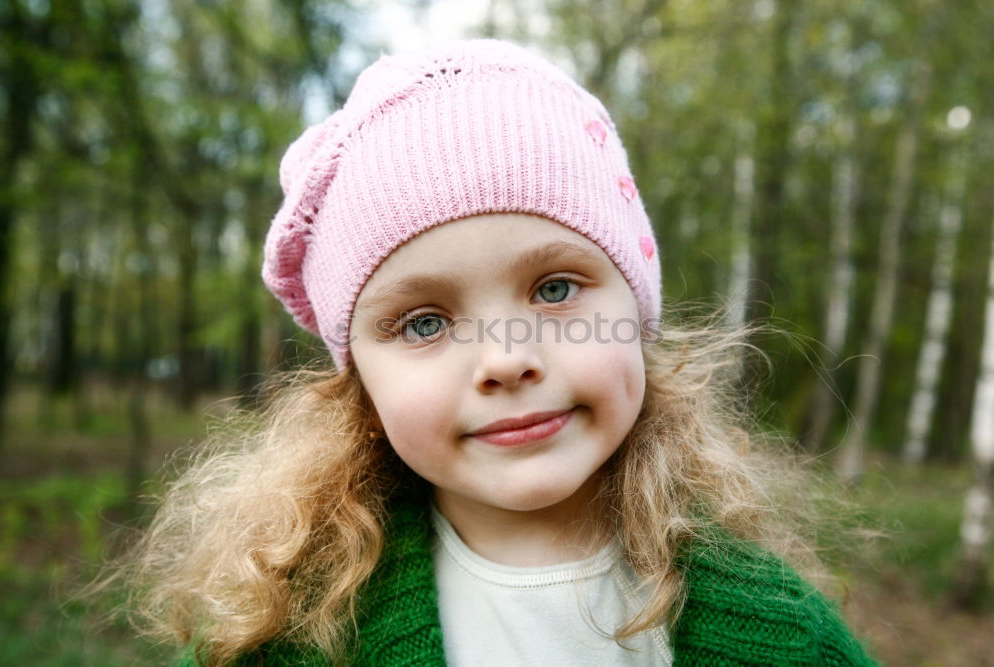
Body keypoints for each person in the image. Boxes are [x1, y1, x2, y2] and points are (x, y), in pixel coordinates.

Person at [122, 40, 876, 666]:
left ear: (636, 310)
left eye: (554, 289)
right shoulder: (288, 633)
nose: (506, 359)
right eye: (422, 323)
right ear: (360, 383)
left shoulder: (785, 633)